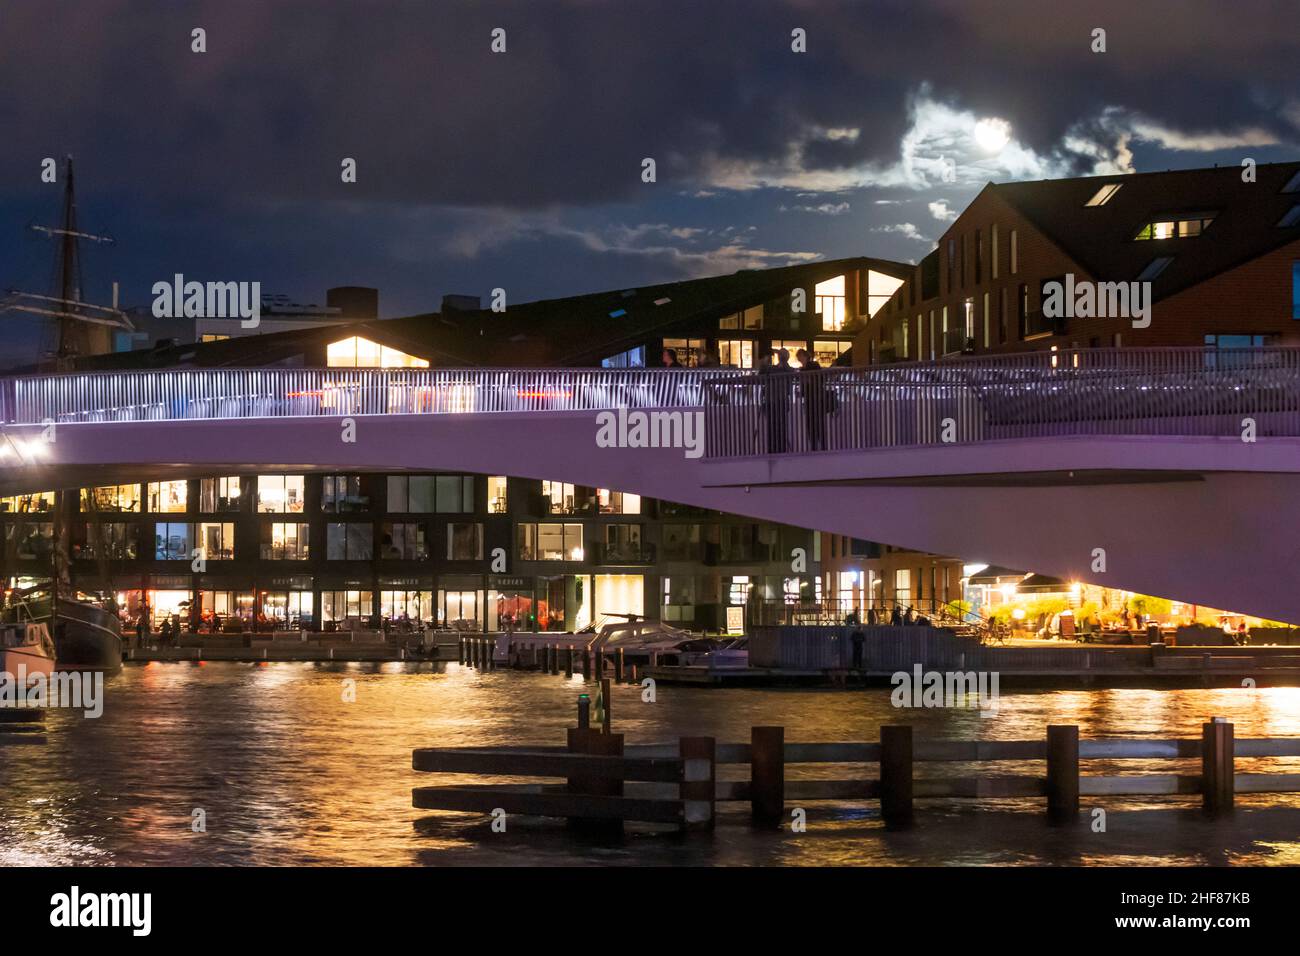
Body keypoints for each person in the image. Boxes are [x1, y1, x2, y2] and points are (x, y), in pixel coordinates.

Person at [756, 347, 792, 454]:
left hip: (777, 400)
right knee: (774, 427)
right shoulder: (775, 369)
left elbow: (762, 372)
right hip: (775, 400)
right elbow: (762, 373)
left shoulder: (779, 369)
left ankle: (777, 449)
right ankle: (775, 449)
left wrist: (766, 360)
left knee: (778, 426)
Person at [796, 348, 828, 451]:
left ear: (804, 356)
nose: (799, 359)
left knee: (815, 422)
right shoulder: (807, 367)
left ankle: (818, 445)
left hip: (815, 398)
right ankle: (818, 445)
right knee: (813, 423)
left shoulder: (811, 366)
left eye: (799, 357)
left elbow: (819, 379)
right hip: (812, 398)